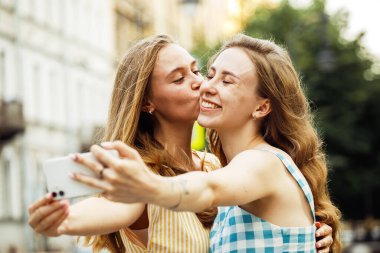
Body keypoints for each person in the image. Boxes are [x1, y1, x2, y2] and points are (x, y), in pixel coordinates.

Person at [28, 35, 334, 252]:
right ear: (147, 102)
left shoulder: (216, 164)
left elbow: (236, 198)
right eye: (179, 79)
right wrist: (64, 222)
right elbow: (111, 207)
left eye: (197, 71)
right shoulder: (144, 173)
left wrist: (303, 235)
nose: (202, 84)